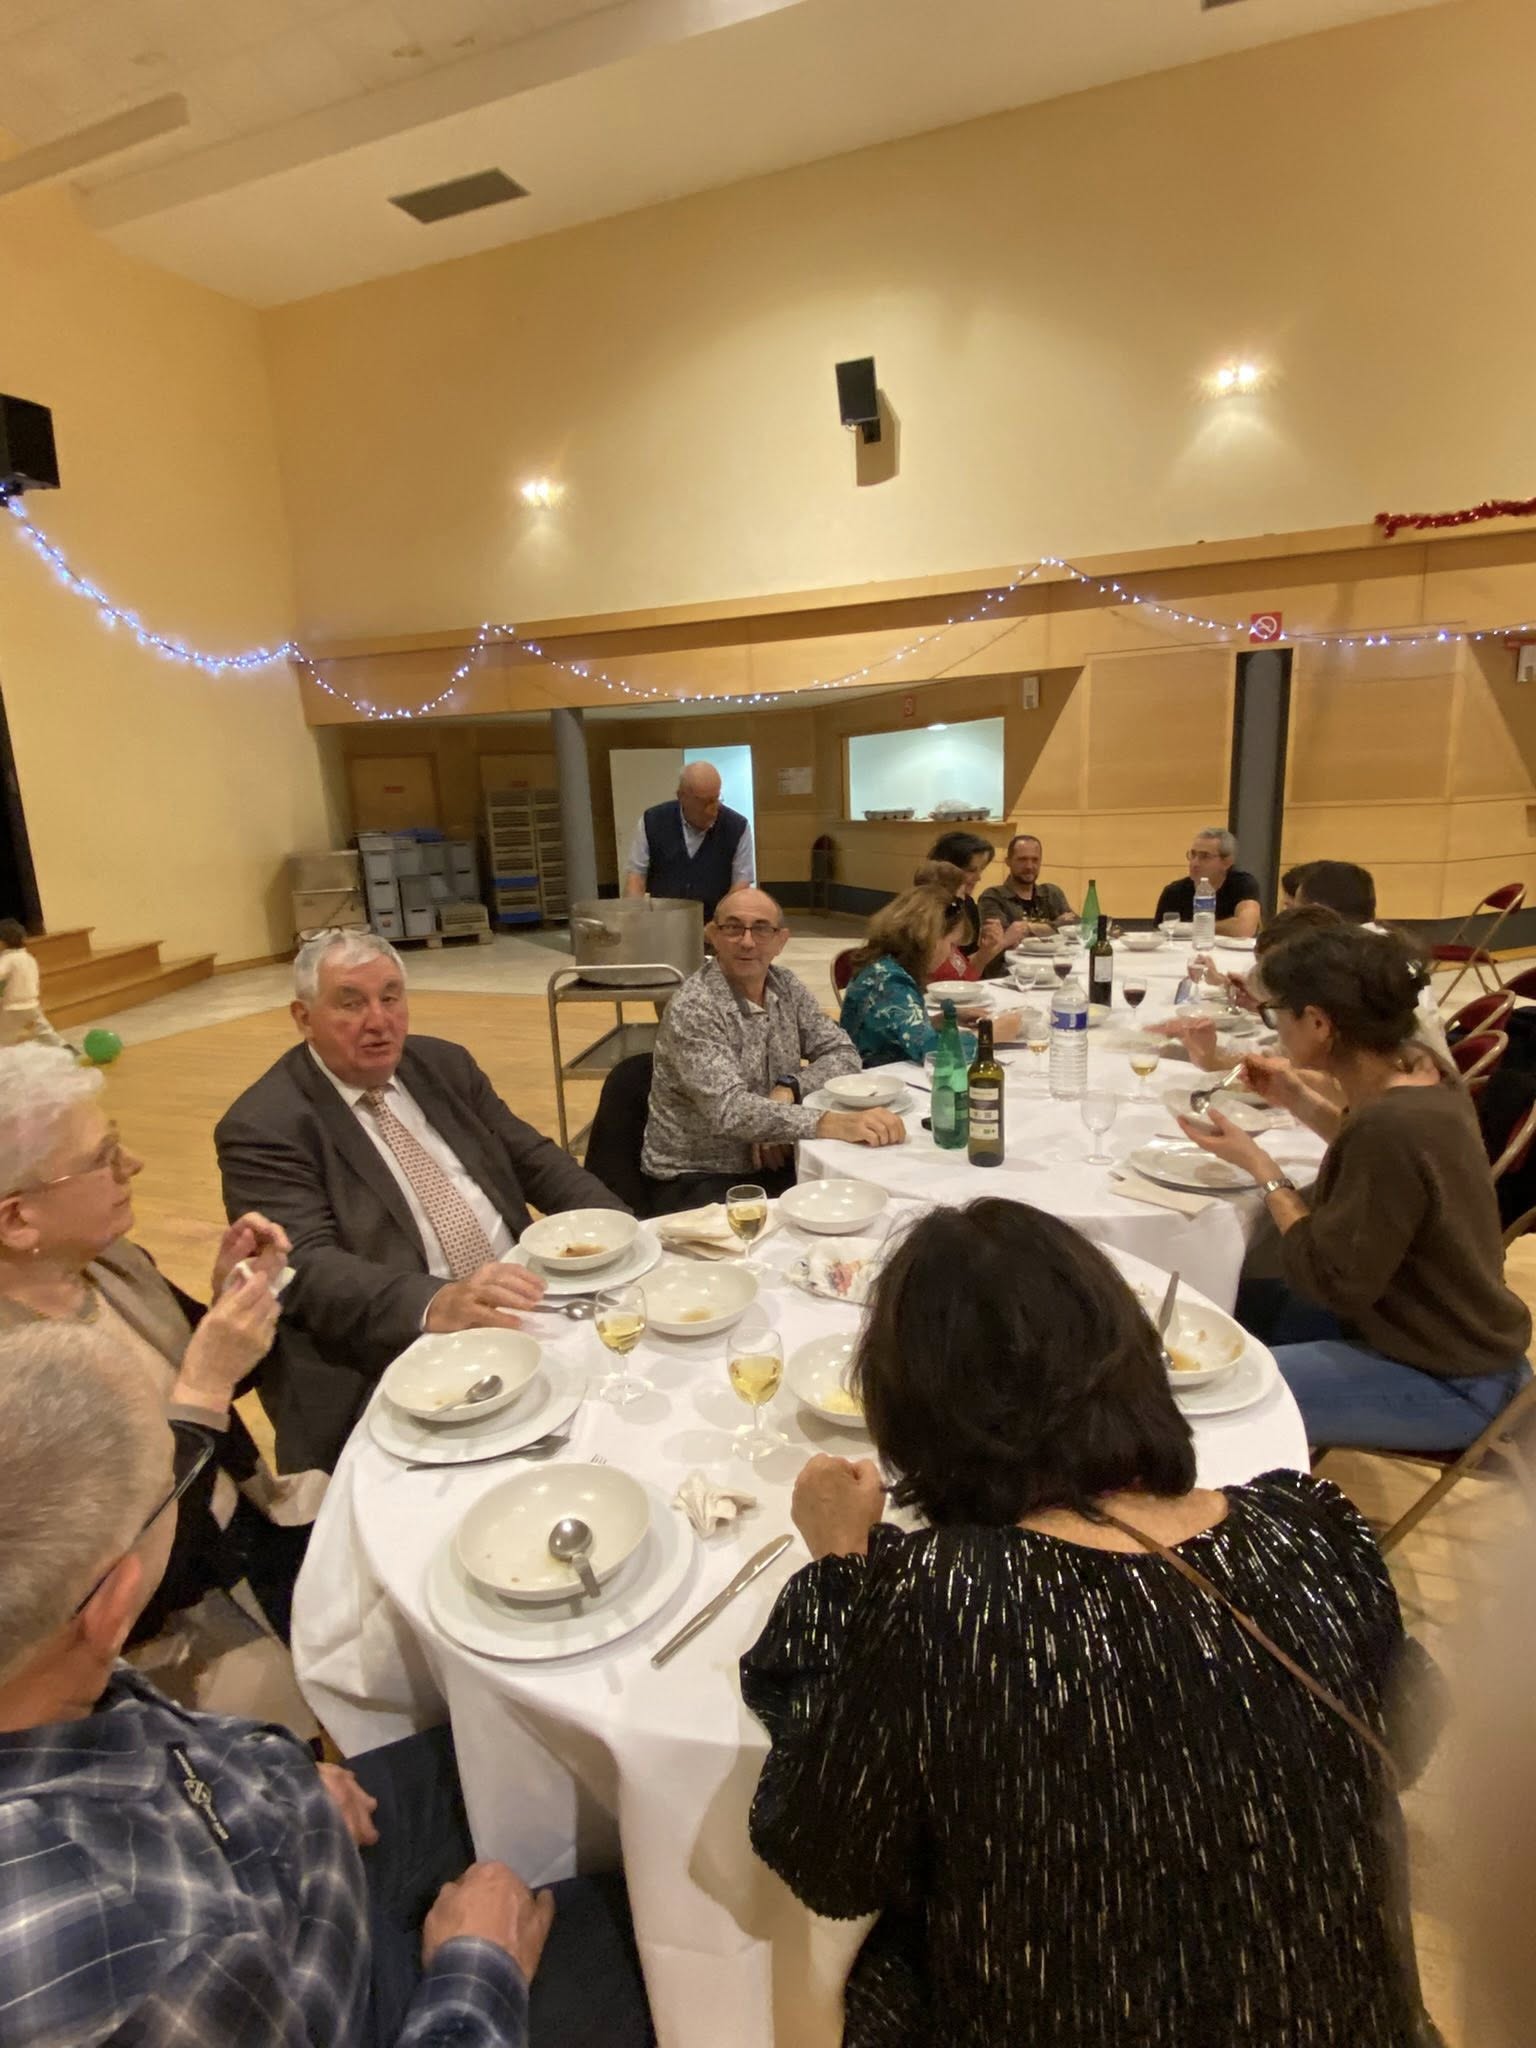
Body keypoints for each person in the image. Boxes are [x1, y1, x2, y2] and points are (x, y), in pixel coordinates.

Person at [740, 1199, 1430, 2047]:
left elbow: (825, 1857)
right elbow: (1412, 1727)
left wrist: (839, 1570)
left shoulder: (950, 1599)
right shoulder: (1312, 1523)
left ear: (918, 1407)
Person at [0, 1322, 655, 2048]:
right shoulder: (127, 1949)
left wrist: (264, 1785)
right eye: (174, 1480)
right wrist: (477, 1972)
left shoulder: (41, 1662)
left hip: (288, 1849)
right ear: (115, 1602)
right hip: (391, 2000)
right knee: (658, 1912)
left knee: (549, 1759)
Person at [216, 930, 629, 1473]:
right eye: (350, 1002)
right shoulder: (265, 1125)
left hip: (525, 1297)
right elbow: (306, 1266)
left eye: (390, 997)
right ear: (302, 1016)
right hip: (403, 1344)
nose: (378, 1020)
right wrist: (438, 1301)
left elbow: (532, 1158)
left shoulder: (442, 1065)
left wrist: (623, 1229)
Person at [0, 1043, 315, 1703]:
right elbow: (132, 1585)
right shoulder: (18, 1387)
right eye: (101, 1158)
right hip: (163, 1644)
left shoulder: (111, 1263)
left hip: (246, 1532)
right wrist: (204, 1383)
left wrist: (233, 1299)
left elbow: (216, 1376)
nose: (132, 1165)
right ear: (17, 1219)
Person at [1177, 921, 1531, 1448]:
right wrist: (1297, 1098)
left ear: (1318, 1023)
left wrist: (1263, 1169)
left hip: (1447, 1376)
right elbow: (1383, 1165)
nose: (1273, 1027)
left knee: (1195, 1403)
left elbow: (1330, 1280)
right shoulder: (1424, 1071)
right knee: (1216, 1305)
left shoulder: (1391, 1124)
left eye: (1277, 1014)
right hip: (1442, 1335)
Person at [643, 888, 905, 1208]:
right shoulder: (695, 1006)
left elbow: (843, 1052)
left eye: (762, 929)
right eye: (733, 927)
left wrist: (789, 1087)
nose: (748, 941)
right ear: (712, 935)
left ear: (781, 940)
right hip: (697, 1176)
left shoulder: (785, 985)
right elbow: (730, 1111)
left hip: (776, 1162)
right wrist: (828, 1123)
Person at [839, 886, 1021, 1068]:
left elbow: (894, 1030)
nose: (951, 955)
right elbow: (932, 1051)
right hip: (875, 1081)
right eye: (951, 945)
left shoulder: (884, 965)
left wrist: (938, 1022)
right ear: (929, 938)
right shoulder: (889, 981)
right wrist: (989, 1035)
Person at [623, 760, 754, 921]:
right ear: (682, 797)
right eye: (705, 802)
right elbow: (636, 877)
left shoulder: (738, 827)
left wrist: (720, 925)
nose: (713, 809)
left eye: (717, 798)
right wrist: (633, 919)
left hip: (716, 926)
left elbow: (740, 886)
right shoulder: (651, 821)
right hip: (664, 924)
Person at [975, 834, 1078, 979]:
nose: (1029, 866)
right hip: (1008, 977)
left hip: (1053, 973)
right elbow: (1001, 941)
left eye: (1035, 860)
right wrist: (1056, 926)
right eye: (1022, 860)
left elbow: (1075, 926)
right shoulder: (992, 896)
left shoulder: (1051, 892)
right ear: (1008, 861)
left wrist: (1027, 928)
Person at [924, 831, 1010, 976]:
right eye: (971, 870)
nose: (978, 878)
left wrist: (986, 953)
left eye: (981, 869)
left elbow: (962, 972)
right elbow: (939, 977)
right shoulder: (925, 911)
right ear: (946, 869)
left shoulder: (967, 904)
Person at [1153, 827, 1262, 938]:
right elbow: (1159, 935)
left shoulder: (1243, 884)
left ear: (1227, 862)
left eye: (1204, 856)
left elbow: (1244, 928)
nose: (1194, 863)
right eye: (1193, 855)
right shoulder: (1173, 892)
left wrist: (1193, 928)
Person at [0, 918, 64, 1046]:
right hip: (33, 1004)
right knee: (45, 1031)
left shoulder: (7, 959)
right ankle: (65, 1048)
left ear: (3, 942)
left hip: (12, 1007)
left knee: (3, 1037)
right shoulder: (29, 958)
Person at [911, 860, 974, 980]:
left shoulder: (948, 930)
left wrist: (988, 952)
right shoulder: (927, 938)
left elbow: (965, 973)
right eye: (960, 895)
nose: (964, 899)